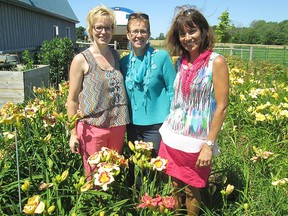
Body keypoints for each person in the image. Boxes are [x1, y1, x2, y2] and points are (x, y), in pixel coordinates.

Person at [158, 5, 229, 215]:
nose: (188, 37)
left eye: (192, 31)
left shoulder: (216, 62)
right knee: (173, 186)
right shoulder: (180, 62)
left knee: (191, 190)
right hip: (171, 135)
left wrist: (209, 144)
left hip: (196, 141)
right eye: (182, 33)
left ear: (203, 32)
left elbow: (222, 107)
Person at [67, 5, 130, 181]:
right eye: (99, 27)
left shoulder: (116, 56)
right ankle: (93, 209)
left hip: (118, 126)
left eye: (108, 27)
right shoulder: (82, 59)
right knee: (94, 177)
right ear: (91, 29)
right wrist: (73, 134)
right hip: (92, 128)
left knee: (112, 174)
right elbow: (72, 100)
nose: (104, 32)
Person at [120, 12, 176, 157]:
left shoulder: (161, 57)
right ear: (128, 35)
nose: (139, 35)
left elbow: (173, 90)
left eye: (143, 31)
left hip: (157, 126)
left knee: (155, 169)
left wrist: (173, 120)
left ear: (149, 34)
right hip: (132, 125)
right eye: (134, 31)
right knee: (137, 169)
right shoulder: (124, 62)